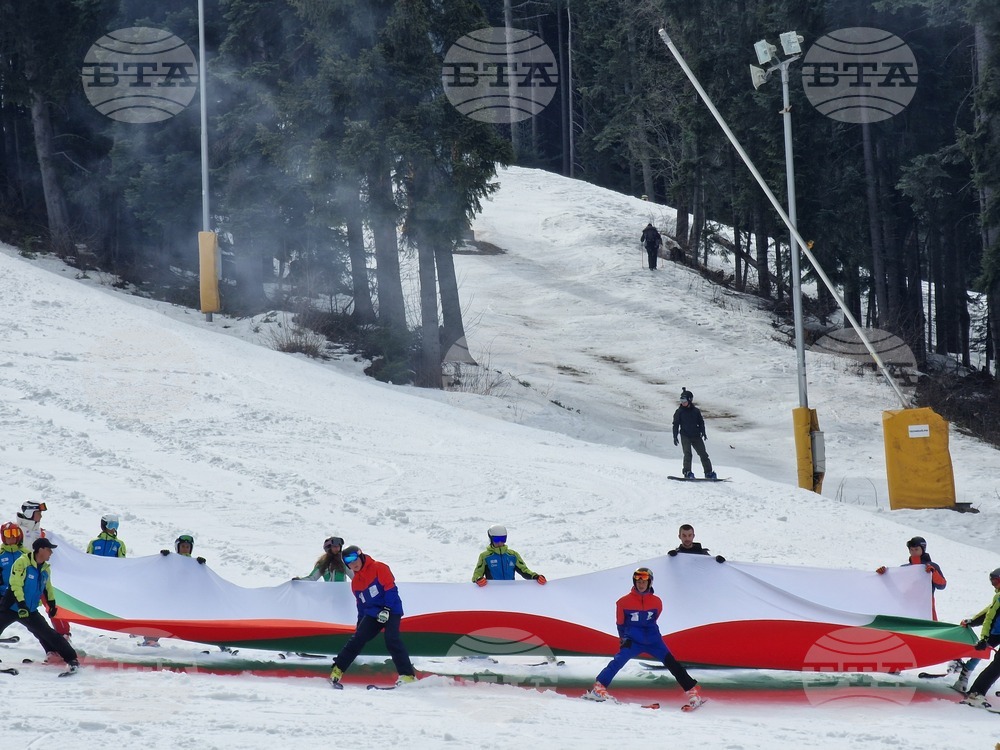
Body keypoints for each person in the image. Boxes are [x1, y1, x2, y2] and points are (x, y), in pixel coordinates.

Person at [586, 567, 703, 709]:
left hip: (654, 640)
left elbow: (655, 617)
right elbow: (620, 623)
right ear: (634, 582)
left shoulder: (656, 601)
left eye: (644, 582)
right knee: (618, 661)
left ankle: (692, 690)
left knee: (672, 663)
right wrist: (623, 639)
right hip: (633, 640)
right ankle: (598, 688)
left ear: (650, 583)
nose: (641, 585)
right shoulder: (623, 602)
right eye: (638, 581)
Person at [329, 546, 416, 689]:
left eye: (355, 560)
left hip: (391, 609)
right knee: (357, 639)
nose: (354, 564)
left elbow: (390, 589)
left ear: (361, 556)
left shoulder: (379, 568)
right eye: (349, 563)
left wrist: (387, 609)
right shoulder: (356, 582)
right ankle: (338, 669)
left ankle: (407, 675)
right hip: (373, 613)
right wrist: (360, 625)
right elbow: (361, 607)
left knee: (391, 638)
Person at [0, 538, 80, 673]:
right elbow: (15, 585)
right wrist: (21, 604)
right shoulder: (22, 563)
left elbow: (47, 588)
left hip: (29, 610)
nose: (51, 553)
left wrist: (52, 604)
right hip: (12, 606)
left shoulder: (45, 569)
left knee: (49, 634)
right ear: (40, 550)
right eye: (49, 550)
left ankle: (71, 659)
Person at [143, 534, 206, 647]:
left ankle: (222, 644)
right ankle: (150, 640)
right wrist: (163, 559)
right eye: (183, 547)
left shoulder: (195, 563)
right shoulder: (171, 560)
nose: (185, 549)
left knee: (205, 618)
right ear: (177, 547)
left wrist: (202, 566)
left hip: (187, 598)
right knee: (161, 616)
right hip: (171, 596)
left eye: (187, 547)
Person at [957, 568, 1000, 710]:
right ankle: (974, 692)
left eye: (996, 581)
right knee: (986, 656)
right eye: (992, 581)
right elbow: (989, 615)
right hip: (995, 632)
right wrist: (983, 637)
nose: (994, 585)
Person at [875, 536, 946, 618]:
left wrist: (933, 573)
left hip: (926, 609)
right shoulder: (904, 568)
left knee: (928, 630)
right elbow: (894, 587)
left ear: (923, 549)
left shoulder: (932, 566)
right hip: (906, 609)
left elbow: (942, 585)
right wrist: (884, 575)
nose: (913, 552)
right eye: (911, 550)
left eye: (916, 549)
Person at [471, 525, 547, 586]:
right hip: (492, 593)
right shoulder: (485, 556)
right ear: (491, 539)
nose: (500, 542)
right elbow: (477, 573)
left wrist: (536, 577)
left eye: (503, 539)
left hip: (510, 592)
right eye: (496, 539)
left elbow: (524, 571)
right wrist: (478, 579)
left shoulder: (513, 555)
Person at [672, 388, 716, 479]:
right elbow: (675, 424)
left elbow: (701, 422)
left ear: (690, 400)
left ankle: (709, 473)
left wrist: (703, 432)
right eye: (681, 400)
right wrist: (675, 436)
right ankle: (687, 472)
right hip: (685, 435)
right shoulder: (679, 412)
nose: (682, 402)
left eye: (684, 400)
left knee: (703, 454)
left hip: (696, 435)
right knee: (688, 454)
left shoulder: (696, 411)